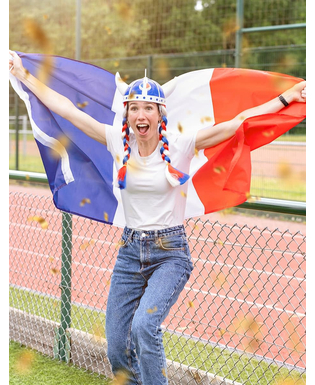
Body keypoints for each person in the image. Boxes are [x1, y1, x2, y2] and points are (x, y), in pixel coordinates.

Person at [9, 51, 306, 385]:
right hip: (129, 253)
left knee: (144, 327)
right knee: (116, 344)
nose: (140, 113)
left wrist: (284, 98)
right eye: (134, 107)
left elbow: (237, 123)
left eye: (148, 107)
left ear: (159, 113)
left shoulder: (181, 144)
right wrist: (24, 76)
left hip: (170, 253)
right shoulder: (117, 143)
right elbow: (65, 107)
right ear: (128, 113)